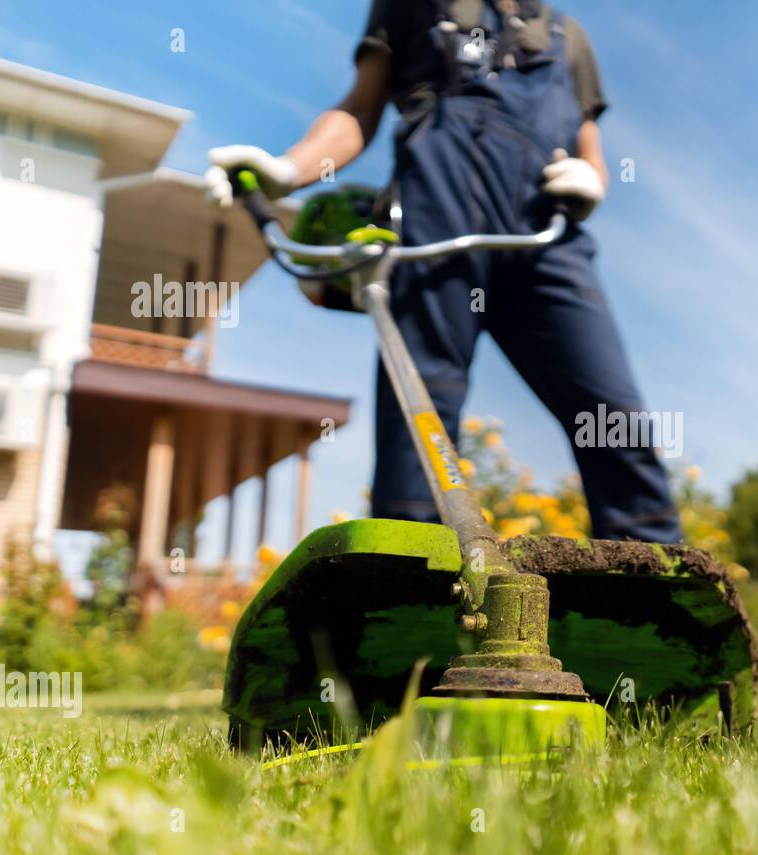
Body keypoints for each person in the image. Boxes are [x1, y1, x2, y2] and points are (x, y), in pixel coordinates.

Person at [205, 0, 680, 542]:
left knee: (610, 411)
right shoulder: (411, 7)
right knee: (419, 414)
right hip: (436, 223)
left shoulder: (568, 39)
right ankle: (410, 585)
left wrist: (592, 180)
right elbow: (360, 110)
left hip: (545, 237)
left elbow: (589, 146)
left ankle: (651, 576)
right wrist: (289, 169)